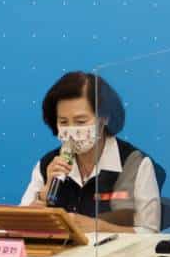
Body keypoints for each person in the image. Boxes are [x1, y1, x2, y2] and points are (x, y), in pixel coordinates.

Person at [20, 71, 161, 234]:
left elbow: (150, 233)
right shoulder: (47, 164)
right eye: (63, 122)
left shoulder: (135, 163)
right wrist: (43, 195)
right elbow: (20, 225)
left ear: (104, 118)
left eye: (80, 121)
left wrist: (100, 227)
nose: (71, 131)